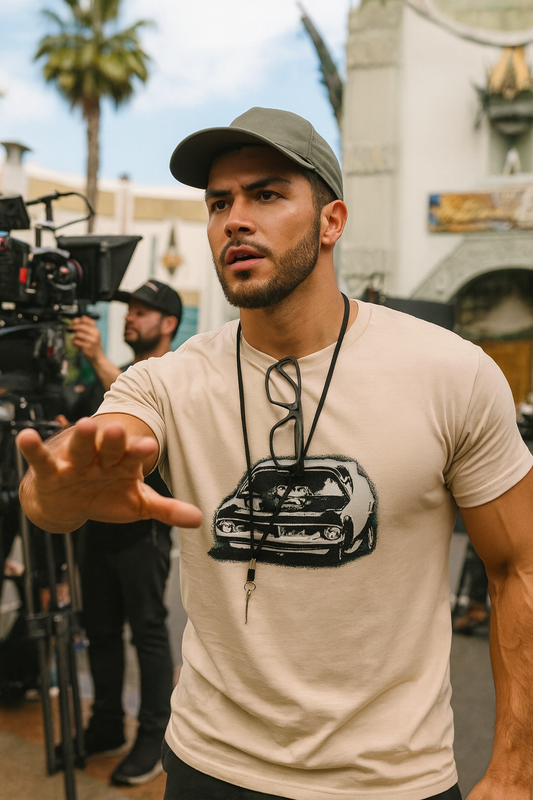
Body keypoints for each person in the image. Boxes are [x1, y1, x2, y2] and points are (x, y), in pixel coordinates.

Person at [16, 107, 533, 800]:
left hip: (390, 781)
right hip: (207, 766)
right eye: (218, 203)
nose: (234, 220)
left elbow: (518, 566)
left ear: (331, 221)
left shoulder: (451, 372)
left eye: (265, 194)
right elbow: (70, 475)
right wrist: (53, 492)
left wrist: (516, 768)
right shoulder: (166, 380)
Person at [69, 280, 183, 787]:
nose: (130, 317)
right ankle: (106, 725)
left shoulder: (173, 376)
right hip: (96, 527)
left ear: (169, 323)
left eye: (143, 311)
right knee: (99, 630)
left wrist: (96, 359)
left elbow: (143, 408)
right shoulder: (111, 376)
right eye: (129, 310)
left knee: (148, 632)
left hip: (145, 529)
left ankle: (154, 738)